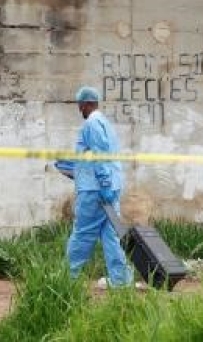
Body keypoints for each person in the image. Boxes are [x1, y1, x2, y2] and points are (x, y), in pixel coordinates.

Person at [66, 86, 133, 287]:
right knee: (111, 235)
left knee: (83, 233)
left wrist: (102, 182)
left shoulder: (92, 124)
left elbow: (99, 154)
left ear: (86, 104)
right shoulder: (105, 123)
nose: (79, 109)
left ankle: (67, 278)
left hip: (95, 190)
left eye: (80, 105)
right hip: (111, 188)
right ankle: (120, 281)